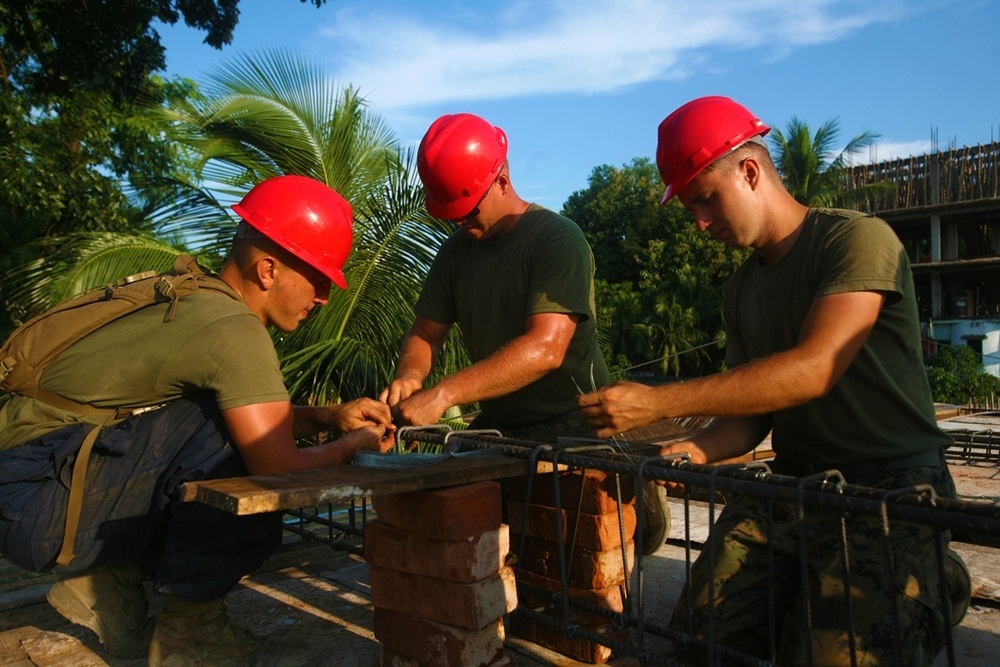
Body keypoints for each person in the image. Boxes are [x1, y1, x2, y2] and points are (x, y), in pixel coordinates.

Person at [578, 96, 967, 665]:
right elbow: (747, 419)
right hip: (793, 486)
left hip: (895, 486)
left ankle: (937, 578)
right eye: (690, 209)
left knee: (830, 656)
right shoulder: (740, 290)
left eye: (706, 200)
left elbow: (815, 368)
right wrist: (688, 450)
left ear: (751, 171)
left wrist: (656, 403)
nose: (700, 222)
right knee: (700, 639)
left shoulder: (855, 241)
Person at [0, 175, 395, 666]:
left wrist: (328, 416)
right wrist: (350, 445)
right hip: (43, 501)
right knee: (248, 465)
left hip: (27, 487)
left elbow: (210, 421)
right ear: (268, 270)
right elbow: (278, 469)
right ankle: (192, 634)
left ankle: (108, 583)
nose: (323, 299)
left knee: (229, 426)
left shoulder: (200, 299)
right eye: (318, 280)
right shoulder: (233, 331)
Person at [378, 112, 669, 554]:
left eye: (469, 209)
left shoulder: (556, 239)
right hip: (504, 424)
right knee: (483, 536)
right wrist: (411, 377)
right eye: (451, 214)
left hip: (576, 419)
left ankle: (645, 499)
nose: (461, 223)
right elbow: (425, 331)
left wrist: (442, 395)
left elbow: (547, 347)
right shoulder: (456, 252)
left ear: (501, 180)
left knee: (621, 539)